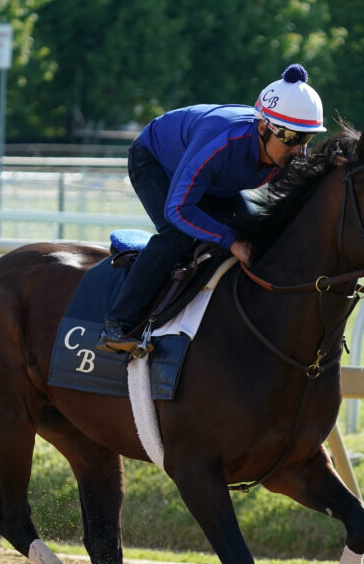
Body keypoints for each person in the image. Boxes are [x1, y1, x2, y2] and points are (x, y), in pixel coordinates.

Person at [96, 63, 327, 354]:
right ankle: (118, 324)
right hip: (155, 161)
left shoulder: (282, 152)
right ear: (263, 127)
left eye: (306, 139)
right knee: (177, 234)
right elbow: (178, 209)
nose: (299, 151)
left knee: (256, 237)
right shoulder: (222, 141)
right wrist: (230, 242)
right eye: (293, 138)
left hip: (213, 180)